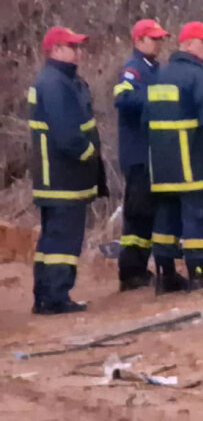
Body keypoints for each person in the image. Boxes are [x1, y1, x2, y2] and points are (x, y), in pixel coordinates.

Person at [146, 22, 203, 293]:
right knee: (198, 218)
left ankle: (165, 275)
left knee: (165, 221)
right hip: (192, 164)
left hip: (161, 167)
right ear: (188, 45)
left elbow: (145, 119)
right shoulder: (199, 76)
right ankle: (199, 275)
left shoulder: (159, 74)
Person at [29, 26, 108, 314]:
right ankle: (55, 297)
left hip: (63, 177)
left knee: (54, 238)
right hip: (63, 176)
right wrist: (88, 153)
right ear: (55, 50)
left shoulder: (63, 81)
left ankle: (47, 295)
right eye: (72, 47)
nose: (78, 52)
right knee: (63, 240)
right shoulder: (54, 84)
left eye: (78, 47)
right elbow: (66, 133)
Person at [114, 18, 170, 291]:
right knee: (137, 214)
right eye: (153, 38)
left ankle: (139, 268)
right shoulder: (133, 69)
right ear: (139, 41)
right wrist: (155, 96)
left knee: (147, 213)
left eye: (160, 38)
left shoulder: (154, 68)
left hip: (151, 155)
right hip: (137, 155)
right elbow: (123, 98)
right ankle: (130, 271)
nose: (158, 43)